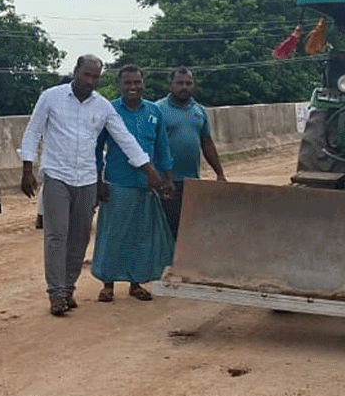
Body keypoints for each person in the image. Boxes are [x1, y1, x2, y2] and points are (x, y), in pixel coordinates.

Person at [19, 55, 164, 316]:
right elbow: (32, 131)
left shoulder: (103, 107)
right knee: (56, 234)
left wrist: (149, 170)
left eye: (95, 77)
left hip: (86, 178)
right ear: (76, 72)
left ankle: (68, 287)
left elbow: (125, 139)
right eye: (86, 75)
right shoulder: (50, 97)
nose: (90, 81)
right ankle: (55, 293)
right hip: (56, 175)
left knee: (80, 236)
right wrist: (27, 167)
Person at [92, 65, 175, 302]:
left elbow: (162, 147)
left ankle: (136, 283)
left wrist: (167, 178)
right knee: (113, 234)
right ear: (120, 85)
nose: (133, 87)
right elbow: (96, 150)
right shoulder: (109, 111)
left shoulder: (154, 112)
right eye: (128, 83)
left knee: (141, 236)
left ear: (143, 84)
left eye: (137, 82)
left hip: (147, 185)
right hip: (117, 182)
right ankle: (107, 283)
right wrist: (98, 181)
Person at [155, 67, 226, 241]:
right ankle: (167, 264)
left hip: (192, 181)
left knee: (189, 227)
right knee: (167, 228)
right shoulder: (158, 110)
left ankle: (183, 265)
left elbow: (207, 143)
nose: (184, 87)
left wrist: (220, 173)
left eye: (188, 83)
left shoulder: (199, 111)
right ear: (171, 84)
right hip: (166, 182)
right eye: (180, 83)